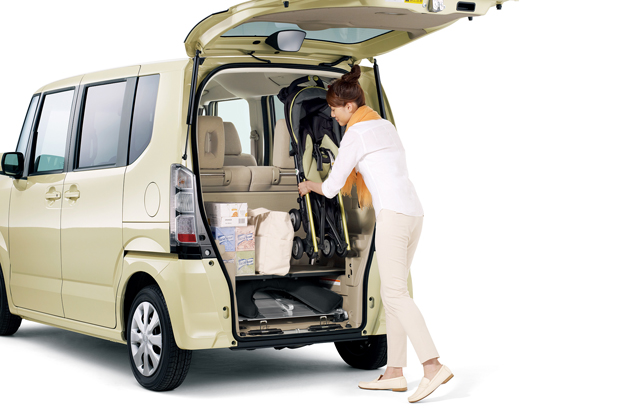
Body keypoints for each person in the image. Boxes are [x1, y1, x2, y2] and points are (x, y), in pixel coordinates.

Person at [297, 65, 453, 403]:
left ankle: (432, 366)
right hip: (414, 213)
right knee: (392, 293)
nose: (333, 115)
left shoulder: (355, 134)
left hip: (393, 216)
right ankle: (394, 373)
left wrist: (310, 185)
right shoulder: (385, 125)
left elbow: (333, 186)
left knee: (395, 295)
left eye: (334, 109)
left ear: (349, 106)